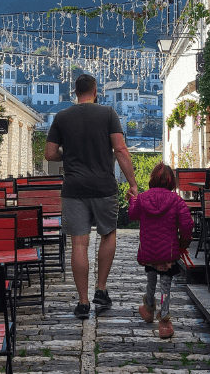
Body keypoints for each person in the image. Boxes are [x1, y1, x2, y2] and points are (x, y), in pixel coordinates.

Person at [44, 74, 139, 319]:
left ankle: (83, 302)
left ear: (75, 93)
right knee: (108, 234)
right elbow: (120, 149)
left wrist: (70, 154)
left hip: (74, 188)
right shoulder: (108, 113)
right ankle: (101, 289)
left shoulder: (62, 117)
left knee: (79, 244)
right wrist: (133, 183)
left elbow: (50, 154)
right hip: (103, 187)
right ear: (95, 91)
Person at [128, 163, 193, 339]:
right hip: (168, 252)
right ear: (172, 182)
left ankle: (149, 307)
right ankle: (164, 320)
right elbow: (187, 225)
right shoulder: (176, 200)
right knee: (165, 286)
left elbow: (132, 215)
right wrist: (183, 244)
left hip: (149, 250)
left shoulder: (142, 198)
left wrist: (132, 200)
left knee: (151, 277)